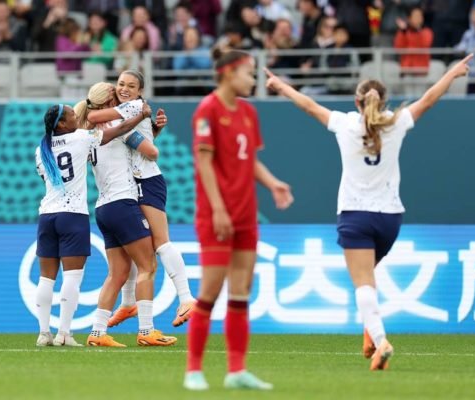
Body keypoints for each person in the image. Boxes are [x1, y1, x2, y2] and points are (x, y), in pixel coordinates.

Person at [264, 54, 474, 370]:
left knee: (362, 282)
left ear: (357, 101)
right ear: (385, 102)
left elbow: (309, 105)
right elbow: (428, 99)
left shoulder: (346, 123)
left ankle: (381, 340)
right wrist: (452, 73)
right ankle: (369, 336)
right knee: (369, 275)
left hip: (355, 215)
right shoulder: (397, 122)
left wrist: (280, 85)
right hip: (390, 219)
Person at [184, 49, 293, 391]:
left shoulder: (249, 112)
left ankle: (236, 370)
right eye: (248, 72)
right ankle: (194, 371)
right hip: (217, 216)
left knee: (241, 292)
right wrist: (217, 208)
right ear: (229, 72)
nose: (252, 78)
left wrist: (273, 182)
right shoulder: (208, 110)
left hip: (246, 215)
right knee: (210, 291)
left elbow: (250, 161)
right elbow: (204, 162)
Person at [80, 71, 197, 328]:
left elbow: (150, 152)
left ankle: (187, 298)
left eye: (130, 86)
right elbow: (143, 144)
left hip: (146, 183)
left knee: (160, 244)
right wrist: (154, 130)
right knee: (134, 248)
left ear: (140, 92)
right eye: (120, 84)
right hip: (139, 183)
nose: (124, 89)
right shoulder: (125, 117)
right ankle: (128, 303)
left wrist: (145, 127)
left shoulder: (130, 109)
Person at [34, 102, 151, 347]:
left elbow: (46, 177)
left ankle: (43, 333)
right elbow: (117, 131)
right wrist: (140, 115)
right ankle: (64, 334)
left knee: (46, 279)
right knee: (72, 278)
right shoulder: (80, 138)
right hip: (73, 215)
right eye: (71, 115)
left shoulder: (41, 149)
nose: (77, 117)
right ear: (63, 124)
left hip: (47, 215)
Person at [394, 7, 433, 75]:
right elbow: (398, 47)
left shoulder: (427, 32)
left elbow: (424, 44)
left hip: (422, 71)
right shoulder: (403, 32)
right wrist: (404, 32)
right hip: (406, 70)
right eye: (415, 16)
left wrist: (417, 30)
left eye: (420, 16)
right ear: (409, 18)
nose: (418, 18)